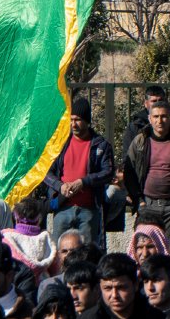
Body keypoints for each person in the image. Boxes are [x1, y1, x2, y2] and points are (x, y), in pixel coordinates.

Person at [122, 104, 170, 270]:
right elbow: (128, 172)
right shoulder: (140, 141)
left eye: (164, 116)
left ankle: (167, 292)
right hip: (148, 207)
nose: (160, 121)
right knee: (143, 253)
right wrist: (139, 202)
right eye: (156, 117)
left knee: (168, 257)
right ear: (149, 119)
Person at [50, 99, 113, 251]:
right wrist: (60, 186)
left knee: (88, 254)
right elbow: (46, 171)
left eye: (78, 120)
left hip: (89, 210)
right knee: (59, 255)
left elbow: (108, 172)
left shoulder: (101, 145)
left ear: (87, 121)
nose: (74, 124)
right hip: (63, 208)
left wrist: (83, 182)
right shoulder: (60, 144)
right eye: (71, 120)